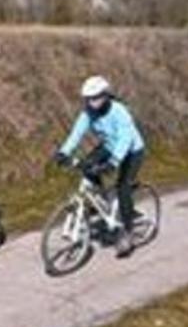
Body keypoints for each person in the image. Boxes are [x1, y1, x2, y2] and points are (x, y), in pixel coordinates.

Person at [53, 75, 146, 256]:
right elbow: (76, 134)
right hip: (108, 147)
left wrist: (114, 162)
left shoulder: (119, 111)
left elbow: (125, 139)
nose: (91, 102)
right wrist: (64, 152)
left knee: (123, 187)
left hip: (132, 151)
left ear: (105, 95)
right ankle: (101, 204)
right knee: (87, 168)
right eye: (88, 99)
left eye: (95, 97)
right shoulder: (88, 113)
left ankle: (128, 232)